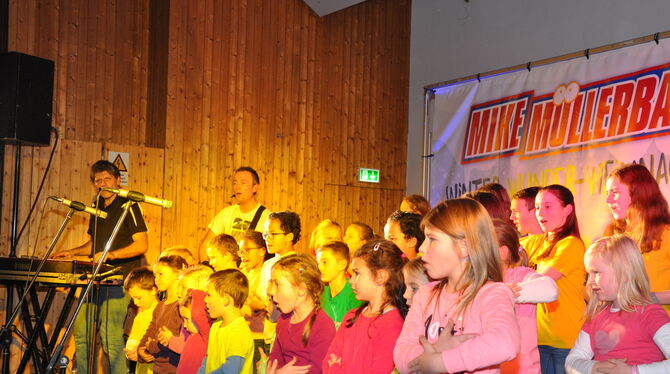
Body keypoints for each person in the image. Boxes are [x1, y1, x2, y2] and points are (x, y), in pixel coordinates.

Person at [394, 198, 520, 374]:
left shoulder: (492, 293)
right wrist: (436, 349)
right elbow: (401, 354)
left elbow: (505, 342)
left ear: (464, 246)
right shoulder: (425, 294)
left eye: (432, 239)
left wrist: (442, 361)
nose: (422, 247)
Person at [51, 160, 149, 374]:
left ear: (117, 180)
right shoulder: (96, 205)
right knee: (82, 334)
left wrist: (111, 255)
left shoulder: (129, 204)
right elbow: (94, 243)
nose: (103, 183)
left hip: (119, 279)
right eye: (98, 180)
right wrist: (73, 252)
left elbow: (142, 244)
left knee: (110, 336)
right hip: (95, 279)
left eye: (107, 179)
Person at [565, 235, 670, 373]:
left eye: (596, 272)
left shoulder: (650, 314)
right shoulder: (596, 317)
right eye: (588, 274)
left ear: (624, 272)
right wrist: (593, 367)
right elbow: (571, 361)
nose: (589, 282)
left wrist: (633, 371)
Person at [523, 185, 586, 374]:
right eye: (537, 207)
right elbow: (504, 245)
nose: (540, 213)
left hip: (566, 341)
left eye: (548, 206)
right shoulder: (538, 242)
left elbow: (540, 283)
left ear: (567, 209)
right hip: (540, 339)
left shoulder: (571, 244)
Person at [323, 240, 407, 373]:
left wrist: (335, 368)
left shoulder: (392, 324)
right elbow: (328, 358)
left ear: (380, 277)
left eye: (357, 273)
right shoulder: (351, 316)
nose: (350, 280)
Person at [493, 218, 558, 374]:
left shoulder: (519, 275)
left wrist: (504, 292)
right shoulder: (478, 280)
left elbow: (550, 289)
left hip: (523, 369)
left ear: (502, 252)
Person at [605, 163, 670, 313]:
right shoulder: (612, 235)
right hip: (622, 329)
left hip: (659, 329)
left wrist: (649, 298)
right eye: (607, 193)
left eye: (614, 192)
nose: (608, 200)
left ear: (638, 193)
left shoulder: (666, 234)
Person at [266, 254, 336, 374]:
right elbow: (275, 355)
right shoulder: (283, 320)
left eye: (277, 284)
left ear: (301, 291)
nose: (271, 291)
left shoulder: (323, 326)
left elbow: (319, 369)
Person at [200, 167, 272, 261]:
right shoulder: (226, 213)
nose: (237, 187)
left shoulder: (267, 218)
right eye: (235, 183)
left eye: (243, 183)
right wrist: (206, 267)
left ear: (255, 187)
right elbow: (206, 245)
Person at [158, 265, 213, 374]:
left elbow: (185, 346)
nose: (178, 291)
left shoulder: (203, 316)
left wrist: (170, 339)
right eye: (178, 286)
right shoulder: (185, 312)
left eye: (183, 287)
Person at [138, 255, 188, 373]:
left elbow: (170, 337)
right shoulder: (160, 305)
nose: (156, 279)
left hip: (173, 368)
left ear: (177, 274)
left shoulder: (181, 305)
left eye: (161, 274)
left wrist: (150, 346)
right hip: (158, 368)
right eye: (155, 275)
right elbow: (151, 329)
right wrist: (141, 349)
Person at [200, 269, 255, 374]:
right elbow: (207, 360)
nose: (205, 300)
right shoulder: (216, 325)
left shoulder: (239, 332)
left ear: (226, 299)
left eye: (209, 295)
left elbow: (231, 369)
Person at [239, 230, 272, 372]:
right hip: (242, 335)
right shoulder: (243, 273)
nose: (243, 255)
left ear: (262, 251)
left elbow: (262, 303)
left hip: (259, 337)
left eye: (247, 250)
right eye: (240, 252)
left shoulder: (266, 273)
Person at [317, 241, 361, 326]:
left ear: (342, 264)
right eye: (318, 263)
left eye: (325, 262)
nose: (320, 267)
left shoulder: (355, 293)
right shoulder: (321, 293)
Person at [124, 267, 159, 374]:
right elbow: (131, 343)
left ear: (153, 290)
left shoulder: (162, 313)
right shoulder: (139, 317)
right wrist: (131, 352)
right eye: (132, 298)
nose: (135, 302)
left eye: (139, 298)